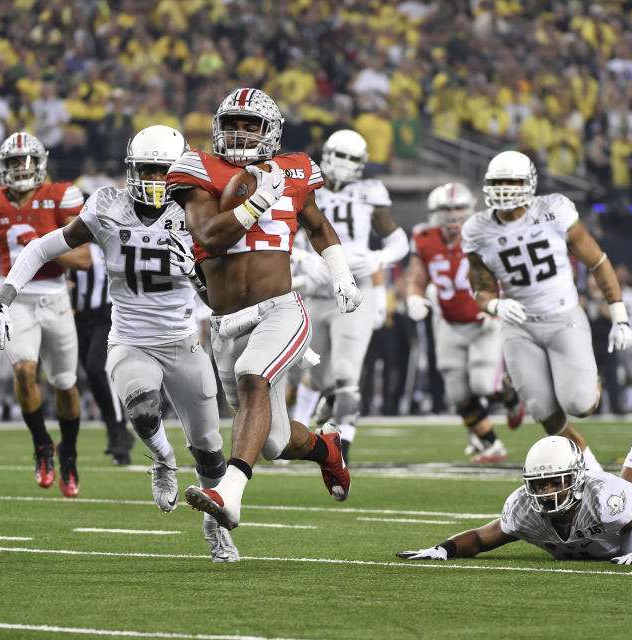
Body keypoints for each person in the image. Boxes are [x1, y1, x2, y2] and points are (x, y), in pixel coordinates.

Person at [0, 125, 239, 562]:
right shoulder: (107, 206)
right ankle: (161, 459)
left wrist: (196, 274)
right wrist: (2, 300)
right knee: (140, 410)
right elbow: (42, 248)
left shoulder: (198, 212)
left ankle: (216, 530)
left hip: (181, 340)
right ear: (131, 170)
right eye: (147, 170)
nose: (155, 180)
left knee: (211, 453)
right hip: (130, 339)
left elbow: (219, 300)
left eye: (164, 171)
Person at [163, 87, 359, 531]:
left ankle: (229, 495)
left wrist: (341, 273)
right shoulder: (198, 168)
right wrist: (255, 204)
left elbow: (318, 226)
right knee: (274, 442)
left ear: (271, 132)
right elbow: (211, 236)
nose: (239, 133)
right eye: (231, 124)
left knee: (254, 376)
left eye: (250, 126)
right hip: (225, 322)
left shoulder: (295, 170)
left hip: (280, 309)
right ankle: (328, 449)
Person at [397, 386, 632, 564]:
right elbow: (479, 538)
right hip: (621, 505)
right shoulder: (523, 509)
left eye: (555, 481)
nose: (547, 491)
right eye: (539, 483)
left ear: (575, 479)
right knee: (626, 493)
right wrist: (442, 549)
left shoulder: (601, 497)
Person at [462, 151, 632, 472]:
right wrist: (496, 304)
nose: (504, 189)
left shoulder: (554, 210)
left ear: (529, 183)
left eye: (512, 182)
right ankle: (590, 467)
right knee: (542, 408)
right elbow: (480, 288)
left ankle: (588, 376)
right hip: (519, 327)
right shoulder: (478, 229)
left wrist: (619, 314)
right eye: (497, 182)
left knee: (579, 403)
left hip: (563, 317)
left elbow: (596, 260)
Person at [0, 131, 91, 497]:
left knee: (65, 383)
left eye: (28, 161)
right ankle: (41, 444)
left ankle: (68, 452)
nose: (22, 168)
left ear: (42, 163)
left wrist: (40, 245)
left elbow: (83, 259)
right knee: (24, 369)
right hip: (15, 298)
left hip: (55, 297)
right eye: (14, 162)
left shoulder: (60, 195)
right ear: (1, 168)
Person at [293, 129, 409, 463]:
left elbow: (399, 241)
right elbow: (279, 233)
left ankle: (341, 450)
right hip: (315, 290)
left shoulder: (370, 191)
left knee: (346, 372)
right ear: (325, 154)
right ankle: (317, 413)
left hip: (355, 291)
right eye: (339, 155)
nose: (343, 165)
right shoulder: (305, 186)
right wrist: (301, 258)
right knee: (313, 371)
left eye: (352, 158)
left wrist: (379, 259)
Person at [405, 182, 523, 463]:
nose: (453, 215)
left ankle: (510, 397)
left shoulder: (485, 234)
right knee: (457, 390)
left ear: (469, 210)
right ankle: (491, 445)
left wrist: (496, 301)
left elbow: (507, 273)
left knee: (484, 384)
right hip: (448, 322)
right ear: (435, 212)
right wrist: (414, 297)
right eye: (446, 209)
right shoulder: (423, 238)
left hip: (483, 319)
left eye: (458, 208)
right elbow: (416, 277)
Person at [69, 241, 136, 466]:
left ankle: (120, 431)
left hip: (105, 315)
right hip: (77, 317)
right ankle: (115, 433)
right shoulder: (65, 244)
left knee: (97, 369)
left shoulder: (108, 242)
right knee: (92, 375)